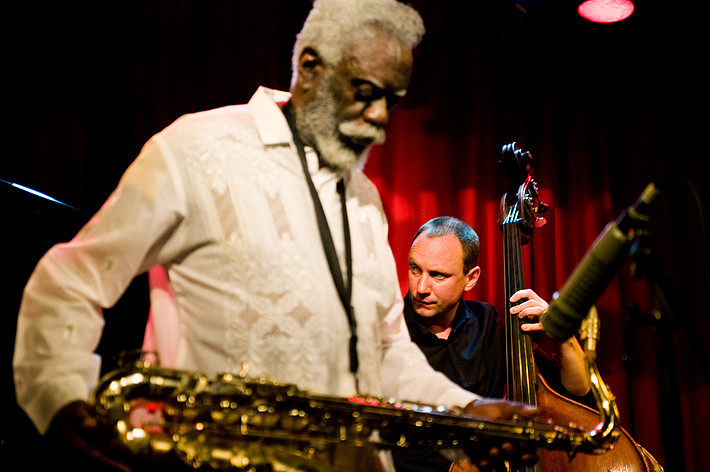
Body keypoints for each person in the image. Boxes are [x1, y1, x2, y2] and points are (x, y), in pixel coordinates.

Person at [12, 1, 537, 471]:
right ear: (310, 67)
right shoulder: (195, 148)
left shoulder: (364, 198)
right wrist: (60, 397)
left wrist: (469, 411)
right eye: (366, 93)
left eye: (390, 101)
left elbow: (387, 353)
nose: (380, 117)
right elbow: (70, 279)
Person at [393, 216, 593, 472]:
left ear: (471, 278)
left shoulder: (490, 324)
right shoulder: (388, 332)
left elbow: (576, 392)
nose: (421, 287)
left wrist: (562, 331)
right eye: (415, 269)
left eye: (438, 275)